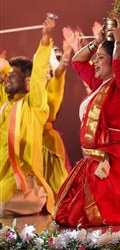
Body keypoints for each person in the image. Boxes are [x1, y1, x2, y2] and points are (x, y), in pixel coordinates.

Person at [54, 21, 120, 226]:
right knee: (64, 213)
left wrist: (119, 39)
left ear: (114, 63)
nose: (94, 62)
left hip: (116, 162)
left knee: (82, 216)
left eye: (101, 58)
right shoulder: (99, 84)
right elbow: (78, 62)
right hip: (95, 161)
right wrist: (97, 43)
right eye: (96, 58)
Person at [1, 18, 56, 216]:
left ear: (26, 81)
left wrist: (46, 38)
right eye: (7, 76)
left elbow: (39, 74)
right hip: (4, 180)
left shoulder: (34, 105)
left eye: (12, 76)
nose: (7, 79)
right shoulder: (5, 104)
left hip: (24, 184)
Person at [43, 29, 76, 197]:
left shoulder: (55, 81)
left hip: (47, 141)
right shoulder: (31, 84)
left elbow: (61, 69)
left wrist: (67, 54)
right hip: (30, 138)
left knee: (58, 189)